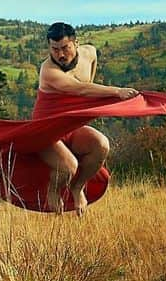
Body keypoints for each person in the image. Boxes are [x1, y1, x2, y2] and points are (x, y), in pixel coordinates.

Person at [35, 22, 139, 215]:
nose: (60, 54)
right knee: (69, 168)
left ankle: (77, 188)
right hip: (45, 132)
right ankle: (53, 189)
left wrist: (86, 108)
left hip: (71, 127)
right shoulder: (48, 71)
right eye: (54, 49)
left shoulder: (89, 52)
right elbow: (81, 88)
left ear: (76, 43)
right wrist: (116, 92)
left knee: (102, 145)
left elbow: (88, 81)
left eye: (65, 48)